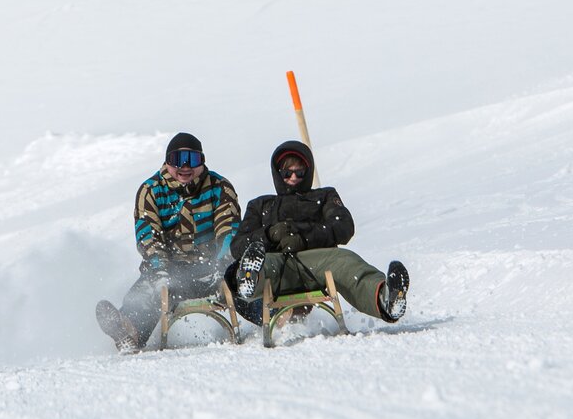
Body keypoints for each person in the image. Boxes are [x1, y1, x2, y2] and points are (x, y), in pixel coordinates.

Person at [228, 140, 410, 327]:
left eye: (299, 172)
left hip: (317, 261)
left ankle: (384, 298)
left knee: (345, 261)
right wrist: (269, 234)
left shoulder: (324, 197)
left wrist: (305, 236)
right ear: (277, 173)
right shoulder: (261, 205)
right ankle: (248, 280)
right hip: (277, 262)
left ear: (308, 172)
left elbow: (343, 227)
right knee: (255, 263)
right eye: (286, 172)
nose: (293, 177)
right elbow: (238, 246)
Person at [96, 133, 241, 353]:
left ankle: (277, 319)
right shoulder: (152, 191)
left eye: (192, 160)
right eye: (177, 159)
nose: (184, 167)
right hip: (170, 268)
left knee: (245, 275)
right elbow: (148, 235)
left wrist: (224, 261)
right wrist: (160, 270)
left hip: (211, 267)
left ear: (202, 162)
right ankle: (128, 331)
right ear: (167, 161)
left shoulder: (219, 187)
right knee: (151, 291)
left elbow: (228, 226)